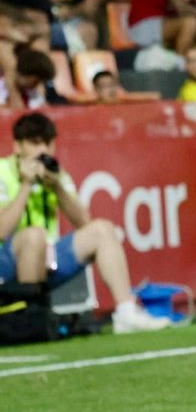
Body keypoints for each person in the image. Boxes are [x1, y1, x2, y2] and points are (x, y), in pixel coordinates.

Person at [0, 114, 171, 333]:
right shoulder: (3, 172)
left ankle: (126, 313)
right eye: (34, 143)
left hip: (46, 259)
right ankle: (31, 316)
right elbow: (2, 231)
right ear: (17, 146)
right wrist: (26, 185)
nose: (42, 150)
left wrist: (57, 188)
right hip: (7, 264)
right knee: (34, 236)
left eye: (47, 143)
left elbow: (84, 222)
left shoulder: (55, 173)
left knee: (102, 230)